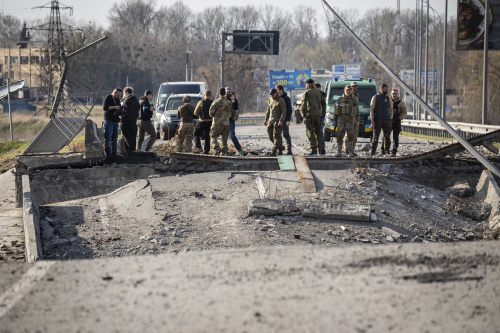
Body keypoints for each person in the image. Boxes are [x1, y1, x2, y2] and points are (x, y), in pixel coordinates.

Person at [300, 78, 326, 155]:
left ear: (307, 84)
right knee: (318, 133)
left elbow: (304, 106)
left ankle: (314, 150)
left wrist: (304, 115)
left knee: (310, 133)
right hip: (318, 116)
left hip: (310, 116)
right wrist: (322, 112)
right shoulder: (319, 92)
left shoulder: (307, 92)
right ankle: (321, 150)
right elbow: (323, 104)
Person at [334, 85, 359, 157]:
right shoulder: (339, 99)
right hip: (341, 121)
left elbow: (357, 111)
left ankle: (350, 152)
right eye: (347, 90)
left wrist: (357, 121)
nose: (348, 92)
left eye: (349, 90)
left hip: (350, 121)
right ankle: (339, 152)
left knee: (351, 136)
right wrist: (334, 119)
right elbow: (336, 110)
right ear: (344, 90)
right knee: (339, 136)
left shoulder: (354, 100)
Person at [369, 84, 393, 156]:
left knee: (387, 137)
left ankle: (386, 151)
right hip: (378, 120)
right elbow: (372, 109)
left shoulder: (388, 98)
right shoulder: (375, 97)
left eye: (387, 89)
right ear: (381, 89)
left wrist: (390, 118)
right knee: (375, 137)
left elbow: (391, 109)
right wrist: (372, 120)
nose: (387, 91)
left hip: (386, 119)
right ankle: (373, 151)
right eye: (385, 89)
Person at [209, 87, 233, 155]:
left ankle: (217, 148)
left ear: (219, 93)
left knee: (212, 136)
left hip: (217, 123)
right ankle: (224, 153)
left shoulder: (216, 102)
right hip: (226, 123)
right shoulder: (228, 102)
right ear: (225, 93)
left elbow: (211, 113)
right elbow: (231, 112)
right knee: (224, 139)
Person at [265, 88, 286, 156]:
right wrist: (266, 119)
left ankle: (274, 151)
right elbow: (268, 110)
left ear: (276, 93)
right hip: (270, 120)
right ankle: (280, 147)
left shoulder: (281, 100)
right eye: (271, 95)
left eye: (273, 94)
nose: (272, 96)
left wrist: (281, 120)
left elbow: (284, 111)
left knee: (276, 136)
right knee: (270, 135)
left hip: (277, 121)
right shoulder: (270, 99)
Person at [103, 88, 122, 158]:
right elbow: (105, 108)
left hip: (115, 121)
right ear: (114, 93)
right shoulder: (108, 97)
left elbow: (118, 108)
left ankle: (114, 153)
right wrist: (115, 107)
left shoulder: (117, 99)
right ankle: (108, 154)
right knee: (108, 138)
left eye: (119, 95)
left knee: (115, 138)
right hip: (109, 120)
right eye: (118, 95)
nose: (118, 97)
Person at [120, 86, 141, 153]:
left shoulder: (126, 100)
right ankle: (132, 151)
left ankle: (130, 149)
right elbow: (138, 111)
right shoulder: (136, 100)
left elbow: (122, 109)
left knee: (126, 136)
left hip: (126, 120)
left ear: (126, 92)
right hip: (134, 120)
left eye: (123, 93)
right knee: (133, 136)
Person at [193, 89, 213, 154]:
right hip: (210, 121)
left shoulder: (201, 102)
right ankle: (206, 150)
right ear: (210, 95)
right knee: (207, 136)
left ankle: (199, 148)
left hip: (202, 121)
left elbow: (195, 113)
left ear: (204, 95)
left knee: (196, 133)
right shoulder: (213, 102)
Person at [388, 89, 407, 156]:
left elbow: (404, 112)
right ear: (391, 94)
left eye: (395, 93)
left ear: (398, 94)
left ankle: (394, 151)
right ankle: (385, 150)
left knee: (395, 138)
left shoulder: (400, 103)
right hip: (389, 122)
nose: (394, 95)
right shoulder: (388, 101)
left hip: (396, 122)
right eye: (393, 93)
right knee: (386, 137)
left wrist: (400, 118)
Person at [275, 84, 293, 155]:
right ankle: (280, 150)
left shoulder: (286, 98)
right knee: (278, 135)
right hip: (278, 119)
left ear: (280, 90)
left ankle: (289, 150)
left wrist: (288, 120)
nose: (276, 91)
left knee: (286, 134)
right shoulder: (276, 98)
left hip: (285, 119)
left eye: (276, 90)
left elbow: (289, 110)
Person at [226, 87, 243, 156]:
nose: (228, 95)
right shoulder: (222, 100)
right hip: (223, 120)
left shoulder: (234, 100)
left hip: (231, 120)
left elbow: (236, 108)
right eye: (227, 93)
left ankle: (239, 150)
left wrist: (233, 101)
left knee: (232, 136)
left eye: (229, 93)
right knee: (223, 137)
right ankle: (224, 151)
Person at [314, 83, 327, 155]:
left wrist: (321, 113)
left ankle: (322, 148)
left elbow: (323, 105)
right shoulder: (317, 94)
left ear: (318, 88)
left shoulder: (322, 95)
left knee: (320, 133)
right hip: (316, 115)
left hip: (320, 116)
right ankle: (317, 148)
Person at [350, 81, 360, 153]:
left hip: (355, 117)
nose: (354, 88)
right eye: (353, 86)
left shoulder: (357, 95)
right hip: (348, 118)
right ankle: (347, 150)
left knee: (355, 135)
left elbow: (357, 108)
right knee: (348, 135)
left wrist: (357, 120)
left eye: (355, 86)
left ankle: (352, 151)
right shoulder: (347, 95)